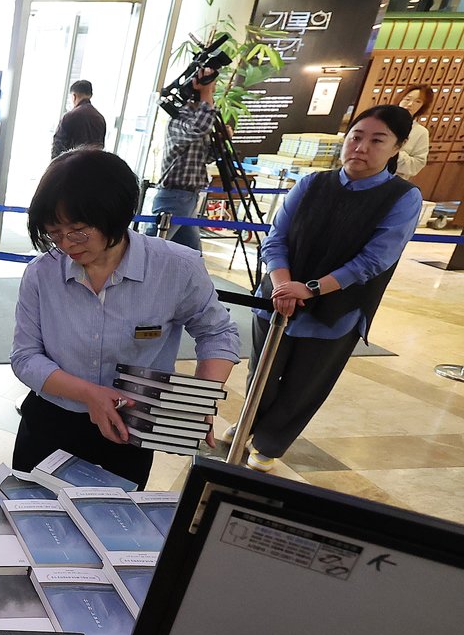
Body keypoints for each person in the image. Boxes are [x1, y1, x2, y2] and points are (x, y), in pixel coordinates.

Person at [10, 148, 239, 489]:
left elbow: (218, 333)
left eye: (78, 231)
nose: (67, 245)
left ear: (114, 215)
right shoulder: (42, 274)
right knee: (30, 517)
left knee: (114, 527)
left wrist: (199, 399)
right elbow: (25, 357)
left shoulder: (176, 268)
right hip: (50, 420)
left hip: (130, 427)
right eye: (54, 234)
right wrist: (89, 394)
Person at [241, 106, 422, 473]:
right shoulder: (312, 184)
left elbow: (374, 260)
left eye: (377, 140)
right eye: (356, 137)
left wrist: (308, 289)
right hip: (278, 298)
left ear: (398, 147)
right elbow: (276, 239)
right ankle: (250, 424)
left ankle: (269, 442)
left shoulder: (402, 197)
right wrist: (283, 287)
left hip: (337, 309)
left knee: (305, 382)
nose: (361, 147)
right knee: (261, 372)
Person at [144, 68, 218, 253]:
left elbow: (205, 157)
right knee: (148, 252)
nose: (213, 91)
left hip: (190, 197)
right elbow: (198, 128)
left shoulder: (197, 122)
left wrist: (222, 143)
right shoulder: (179, 120)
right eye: (211, 87)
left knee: (191, 256)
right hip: (174, 197)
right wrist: (206, 93)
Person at [51, 79, 106, 158]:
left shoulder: (70, 116)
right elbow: (101, 147)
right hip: (92, 166)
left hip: (71, 166)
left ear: (74, 96)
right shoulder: (100, 119)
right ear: (90, 95)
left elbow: (58, 146)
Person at [394, 84, 433, 180]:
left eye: (418, 101)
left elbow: (417, 165)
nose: (410, 104)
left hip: (393, 181)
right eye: (407, 99)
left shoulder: (421, 132)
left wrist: (394, 153)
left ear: (422, 106)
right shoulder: (380, 122)